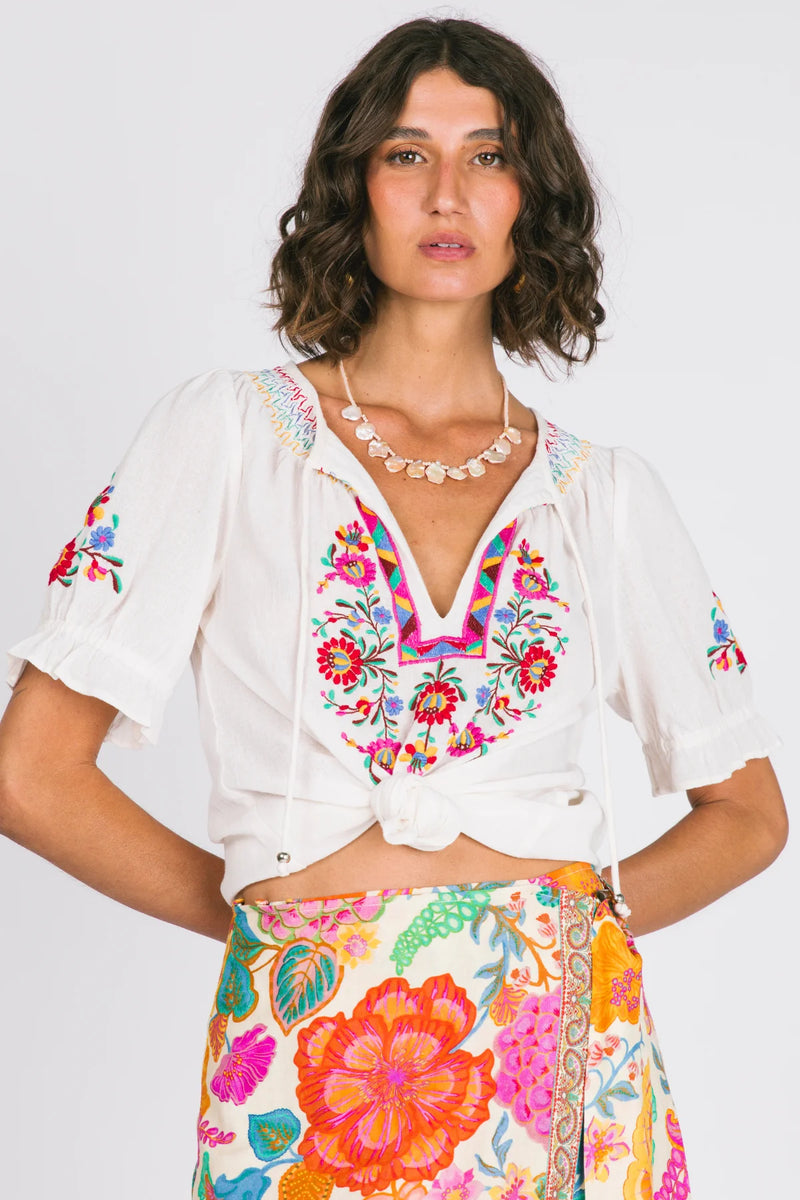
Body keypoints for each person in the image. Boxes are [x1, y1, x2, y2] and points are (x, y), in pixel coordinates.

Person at [0, 15, 786, 1199]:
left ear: (533, 200)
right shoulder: (229, 435)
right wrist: (263, 917)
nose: (448, 192)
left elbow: (747, 812)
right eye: (407, 154)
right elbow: (31, 775)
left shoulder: (603, 496)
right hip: (310, 1044)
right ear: (352, 189)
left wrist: (585, 920)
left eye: (490, 154)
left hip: (562, 1048)